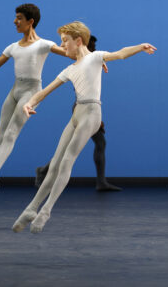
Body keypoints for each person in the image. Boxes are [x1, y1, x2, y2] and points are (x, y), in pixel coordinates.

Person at [12, 22, 156, 233]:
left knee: (67, 161)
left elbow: (120, 54)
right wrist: (29, 103)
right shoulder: (70, 69)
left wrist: (140, 47)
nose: (62, 45)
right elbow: (46, 91)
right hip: (77, 114)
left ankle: (46, 211)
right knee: (55, 163)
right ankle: (32, 208)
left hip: (91, 114)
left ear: (78, 41)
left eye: (65, 41)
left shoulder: (95, 57)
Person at [0, 4, 70, 203]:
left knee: (11, 133)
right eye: (16, 17)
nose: (15, 21)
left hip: (31, 92)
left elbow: (72, 54)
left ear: (31, 21)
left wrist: (95, 59)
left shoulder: (44, 44)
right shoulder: (13, 47)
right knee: (0, 134)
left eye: (19, 18)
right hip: (15, 90)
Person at [35, 37, 121, 192]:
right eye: (92, 44)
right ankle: (45, 170)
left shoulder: (93, 59)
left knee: (94, 144)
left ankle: (100, 181)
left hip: (89, 108)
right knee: (73, 147)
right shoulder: (84, 62)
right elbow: (83, 90)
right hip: (82, 108)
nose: (94, 47)